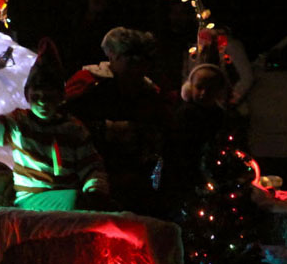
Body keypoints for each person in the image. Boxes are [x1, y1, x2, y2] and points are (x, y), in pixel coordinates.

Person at [0, 37, 110, 211]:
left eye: (48, 98)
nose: (42, 103)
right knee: (75, 201)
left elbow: (91, 167)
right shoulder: (19, 124)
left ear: (59, 98)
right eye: (36, 98)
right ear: (28, 96)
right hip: (32, 199)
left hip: (65, 197)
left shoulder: (73, 129)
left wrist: (96, 192)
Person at [65, 27, 169, 214]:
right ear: (113, 56)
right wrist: (106, 129)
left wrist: (144, 134)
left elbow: (160, 127)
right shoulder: (89, 84)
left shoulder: (149, 92)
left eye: (141, 62)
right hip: (91, 172)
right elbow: (66, 123)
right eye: (130, 60)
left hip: (135, 175)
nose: (136, 67)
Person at [158, 63, 232, 220]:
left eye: (210, 89)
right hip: (184, 176)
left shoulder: (220, 116)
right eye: (199, 87)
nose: (204, 93)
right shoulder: (184, 114)